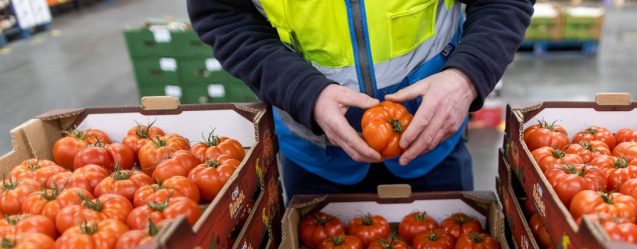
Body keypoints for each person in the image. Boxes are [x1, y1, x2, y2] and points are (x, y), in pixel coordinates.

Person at [188, 0, 533, 196]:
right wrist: (304, 91)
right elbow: (223, 15)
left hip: (433, 140)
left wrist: (466, 76)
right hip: (314, 155)